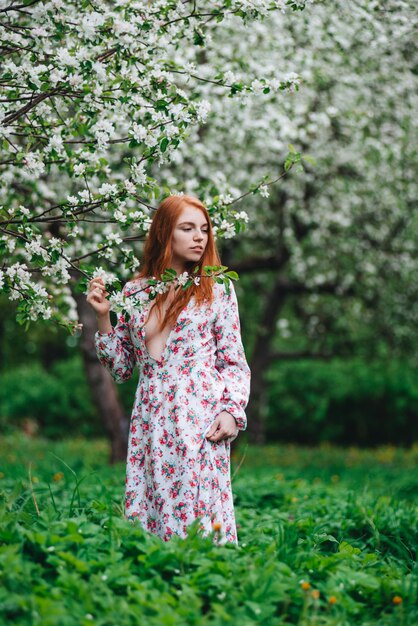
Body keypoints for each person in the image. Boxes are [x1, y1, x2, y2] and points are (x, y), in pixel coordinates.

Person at [86, 194, 251, 544]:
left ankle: (208, 584)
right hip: (151, 417)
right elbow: (121, 368)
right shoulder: (135, 293)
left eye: (204, 229)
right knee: (153, 507)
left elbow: (233, 360)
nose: (199, 237)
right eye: (187, 228)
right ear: (165, 233)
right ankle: (156, 584)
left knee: (200, 511)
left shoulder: (216, 288)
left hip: (200, 415)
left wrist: (232, 412)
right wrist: (104, 316)